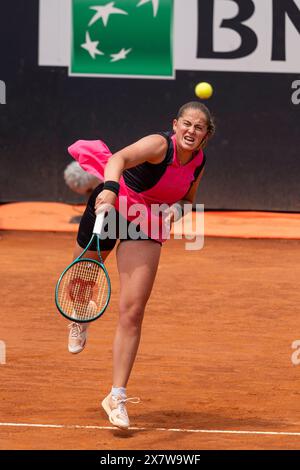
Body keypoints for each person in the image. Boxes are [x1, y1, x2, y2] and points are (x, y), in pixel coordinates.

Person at [66, 101, 215, 430]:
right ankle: (80, 313)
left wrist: (174, 213)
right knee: (82, 276)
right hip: (114, 203)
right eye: (186, 124)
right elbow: (118, 159)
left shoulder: (199, 162)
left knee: (132, 310)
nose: (191, 131)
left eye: (199, 127)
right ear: (175, 125)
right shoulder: (159, 145)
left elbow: (188, 200)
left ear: (206, 134)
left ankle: (116, 395)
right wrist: (107, 189)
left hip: (144, 222)